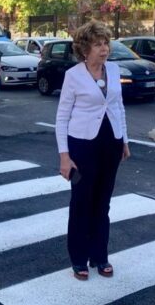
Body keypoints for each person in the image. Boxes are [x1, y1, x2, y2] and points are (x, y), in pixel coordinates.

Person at [55, 20, 130, 281]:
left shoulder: (114, 68)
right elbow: (62, 117)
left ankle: (100, 255)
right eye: (98, 44)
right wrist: (64, 156)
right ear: (85, 49)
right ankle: (79, 258)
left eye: (106, 43)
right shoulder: (73, 75)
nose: (104, 49)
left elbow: (118, 107)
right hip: (82, 145)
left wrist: (125, 140)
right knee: (81, 202)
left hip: (111, 143)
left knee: (103, 201)